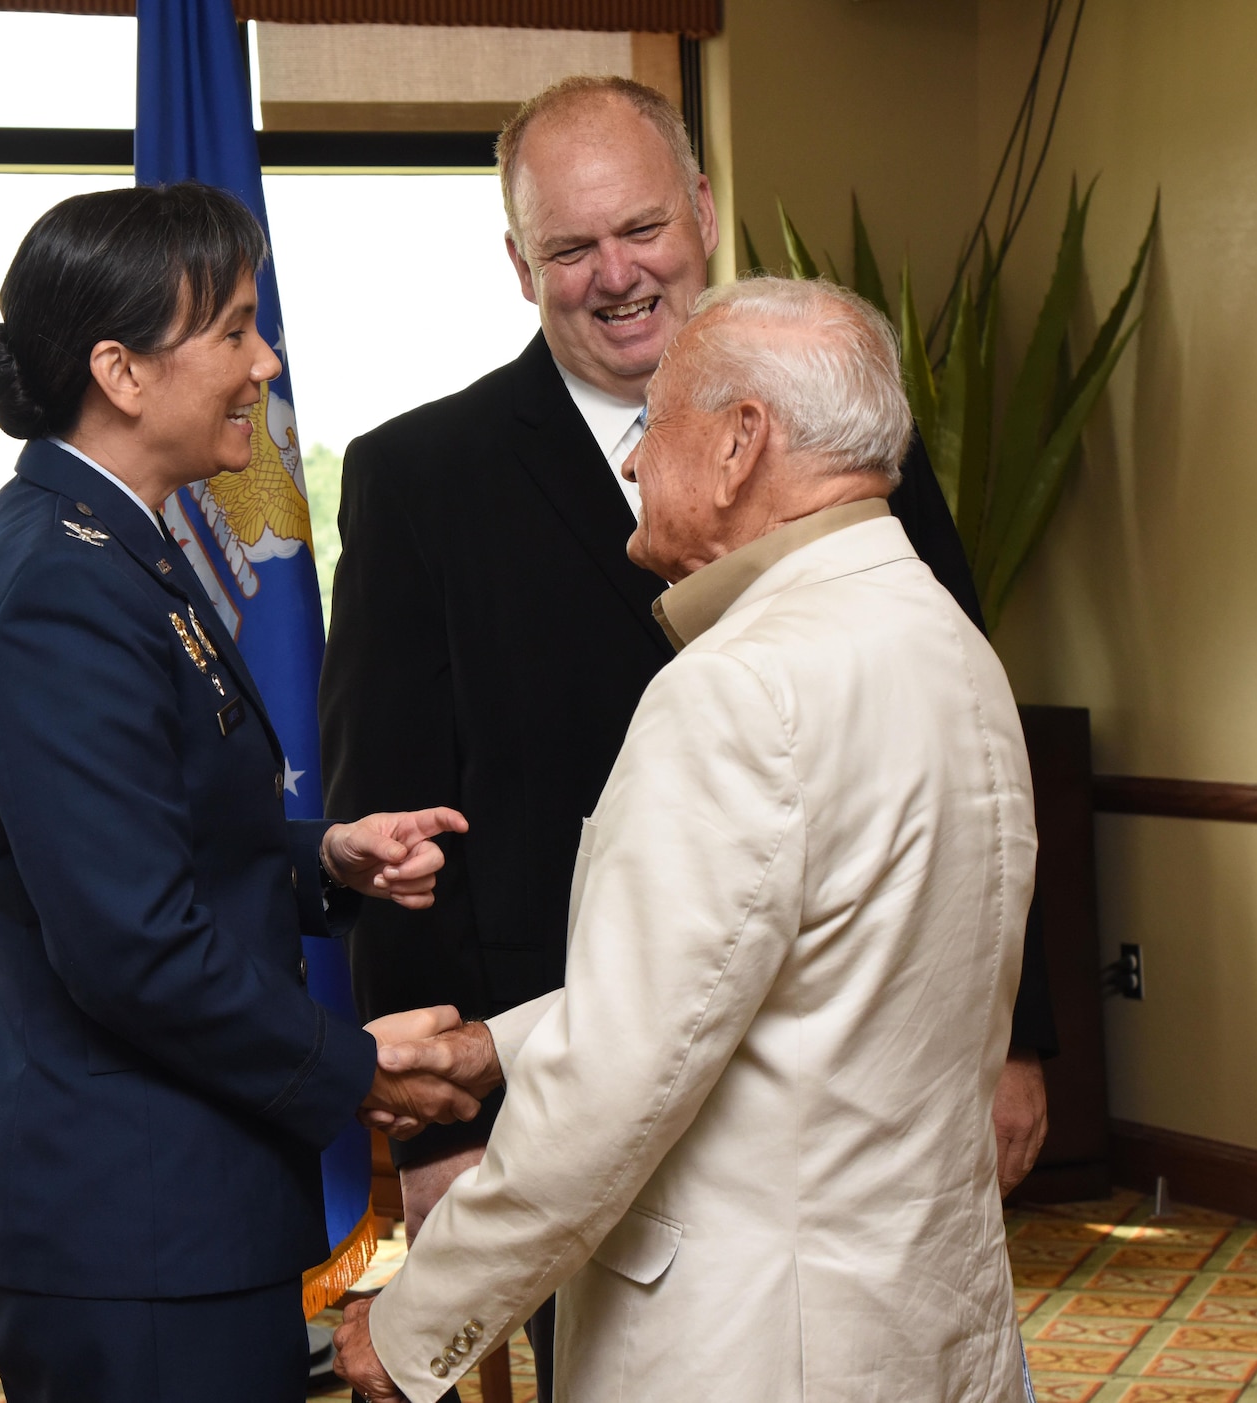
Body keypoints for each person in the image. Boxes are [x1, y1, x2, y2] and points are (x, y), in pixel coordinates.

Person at [319, 79, 1053, 1393]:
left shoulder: (741, 683)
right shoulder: (931, 641)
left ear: (739, 447)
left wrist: (422, 1317)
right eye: (569, 246)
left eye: (656, 435)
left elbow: (641, 1045)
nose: (631, 463)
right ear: (521, 262)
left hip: (746, 1317)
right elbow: (706, 966)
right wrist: (476, 1061)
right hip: (914, 1308)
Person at [0, 183, 481, 1403]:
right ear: (121, 371)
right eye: (233, 328)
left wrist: (323, 854)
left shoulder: (122, 540)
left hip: (173, 1201)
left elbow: (160, 828)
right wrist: (354, 1068)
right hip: (129, 1220)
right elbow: (131, 943)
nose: (263, 360)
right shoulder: (62, 590)